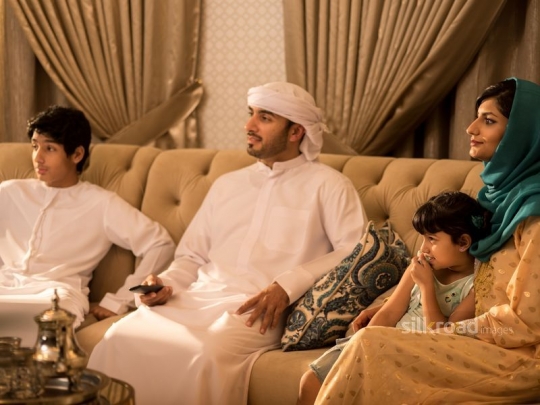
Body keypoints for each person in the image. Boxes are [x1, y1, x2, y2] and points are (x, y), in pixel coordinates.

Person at [87, 82, 368, 405]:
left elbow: (354, 250)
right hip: (196, 297)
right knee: (119, 335)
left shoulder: (330, 185)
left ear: (295, 132)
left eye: (265, 118)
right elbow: (192, 256)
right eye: (251, 114)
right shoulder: (227, 185)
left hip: (257, 311)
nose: (249, 125)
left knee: (203, 352)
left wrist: (287, 285)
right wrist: (164, 283)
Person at [314, 77, 540, 404]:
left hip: (517, 354)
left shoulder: (533, 213)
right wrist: (392, 306)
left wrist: (450, 330)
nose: (471, 128)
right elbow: (465, 271)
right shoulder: (496, 199)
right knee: (366, 342)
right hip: (473, 337)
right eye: (476, 117)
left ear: (521, 134)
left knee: (371, 344)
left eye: (489, 121)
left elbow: (527, 322)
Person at [0, 106, 176, 346]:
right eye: (34, 146)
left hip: (56, 296)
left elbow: (160, 244)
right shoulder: (9, 192)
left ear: (77, 154)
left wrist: (119, 300)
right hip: (4, 288)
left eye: (49, 148)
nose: (37, 157)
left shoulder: (101, 204)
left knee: (50, 320)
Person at [297, 191, 490, 405]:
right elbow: (389, 314)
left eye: (432, 239)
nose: (424, 248)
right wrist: (360, 344)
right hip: (376, 344)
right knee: (310, 381)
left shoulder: (475, 286)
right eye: (423, 238)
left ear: (463, 242)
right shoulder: (420, 266)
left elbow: (445, 338)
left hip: (412, 356)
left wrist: (426, 287)